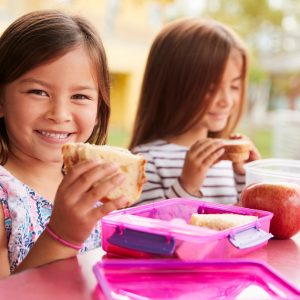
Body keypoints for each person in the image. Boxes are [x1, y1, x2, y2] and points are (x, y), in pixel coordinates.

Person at [0, 10, 129, 277]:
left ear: (99, 109)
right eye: (38, 92)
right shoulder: (5, 199)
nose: (59, 114)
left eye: (80, 96)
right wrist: (60, 236)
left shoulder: (96, 186)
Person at [129, 18, 261, 207]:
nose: (227, 101)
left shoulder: (226, 163)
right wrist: (186, 185)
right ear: (169, 87)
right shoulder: (146, 161)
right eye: (210, 88)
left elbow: (242, 222)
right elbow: (147, 230)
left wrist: (247, 176)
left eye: (234, 86)